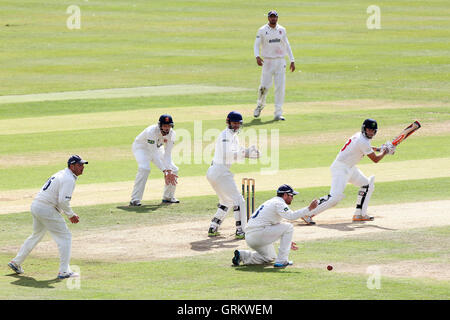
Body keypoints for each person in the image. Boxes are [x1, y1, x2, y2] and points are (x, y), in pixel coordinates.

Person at [301, 119, 396, 225]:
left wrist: (379, 149)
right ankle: (307, 213)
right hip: (341, 168)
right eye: (369, 130)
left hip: (350, 168)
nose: (370, 132)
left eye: (373, 131)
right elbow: (375, 159)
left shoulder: (360, 136)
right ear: (364, 129)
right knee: (335, 197)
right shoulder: (363, 141)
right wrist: (385, 151)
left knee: (367, 185)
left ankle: (359, 214)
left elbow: (367, 148)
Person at [7, 155, 88, 279]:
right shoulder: (68, 179)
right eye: (79, 165)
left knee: (36, 235)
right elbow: (63, 201)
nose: (82, 167)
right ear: (72, 166)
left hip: (37, 205)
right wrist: (71, 215)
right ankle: (64, 271)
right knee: (65, 236)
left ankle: (16, 262)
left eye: (83, 165)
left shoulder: (63, 174)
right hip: (46, 208)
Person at [232, 184, 318, 268]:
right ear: (285, 195)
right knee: (289, 227)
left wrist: (286, 241)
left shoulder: (271, 202)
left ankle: (242, 255)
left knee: (269, 257)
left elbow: (276, 226)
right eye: (291, 195)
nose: (292, 198)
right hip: (259, 234)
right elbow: (291, 216)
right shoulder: (279, 203)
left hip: (250, 237)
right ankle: (282, 261)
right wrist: (309, 208)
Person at [206, 111, 260, 239]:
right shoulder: (225, 135)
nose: (236, 126)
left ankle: (213, 227)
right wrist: (246, 153)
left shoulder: (233, 135)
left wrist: (249, 153)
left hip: (216, 172)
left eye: (238, 123)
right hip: (220, 172)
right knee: (239, 200)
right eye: (234, 123)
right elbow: (227, 154)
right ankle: (241, 231)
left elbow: (234, 154)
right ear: (228, 122)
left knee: (226, 201)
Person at [253, 10, 295, 121]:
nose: (273, 19)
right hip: (267, 62)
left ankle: (278, 113)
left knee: (280, 88)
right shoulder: (262, 30)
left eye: (275, 17)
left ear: (277, 18)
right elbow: (256, 45)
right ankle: (260, 105)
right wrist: (257, 56)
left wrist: (292, 60)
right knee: (264, 87)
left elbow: (287, 45)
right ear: (268, 18)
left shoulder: (282, 30)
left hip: (280, 62)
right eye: (271, 17)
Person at [129, 114, 179, 206]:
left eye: (169, 126)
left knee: (174, 169)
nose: (167, 128)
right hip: (141, 148)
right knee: (145, 169)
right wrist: (164, 170)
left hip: (157, 148)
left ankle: (168, 197)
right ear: (160, 125)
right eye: (164, 126)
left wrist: (169, 170)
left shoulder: (172, 134)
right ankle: (135, 200)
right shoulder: (151, 132)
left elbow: (167, 154)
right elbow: (154, 154)